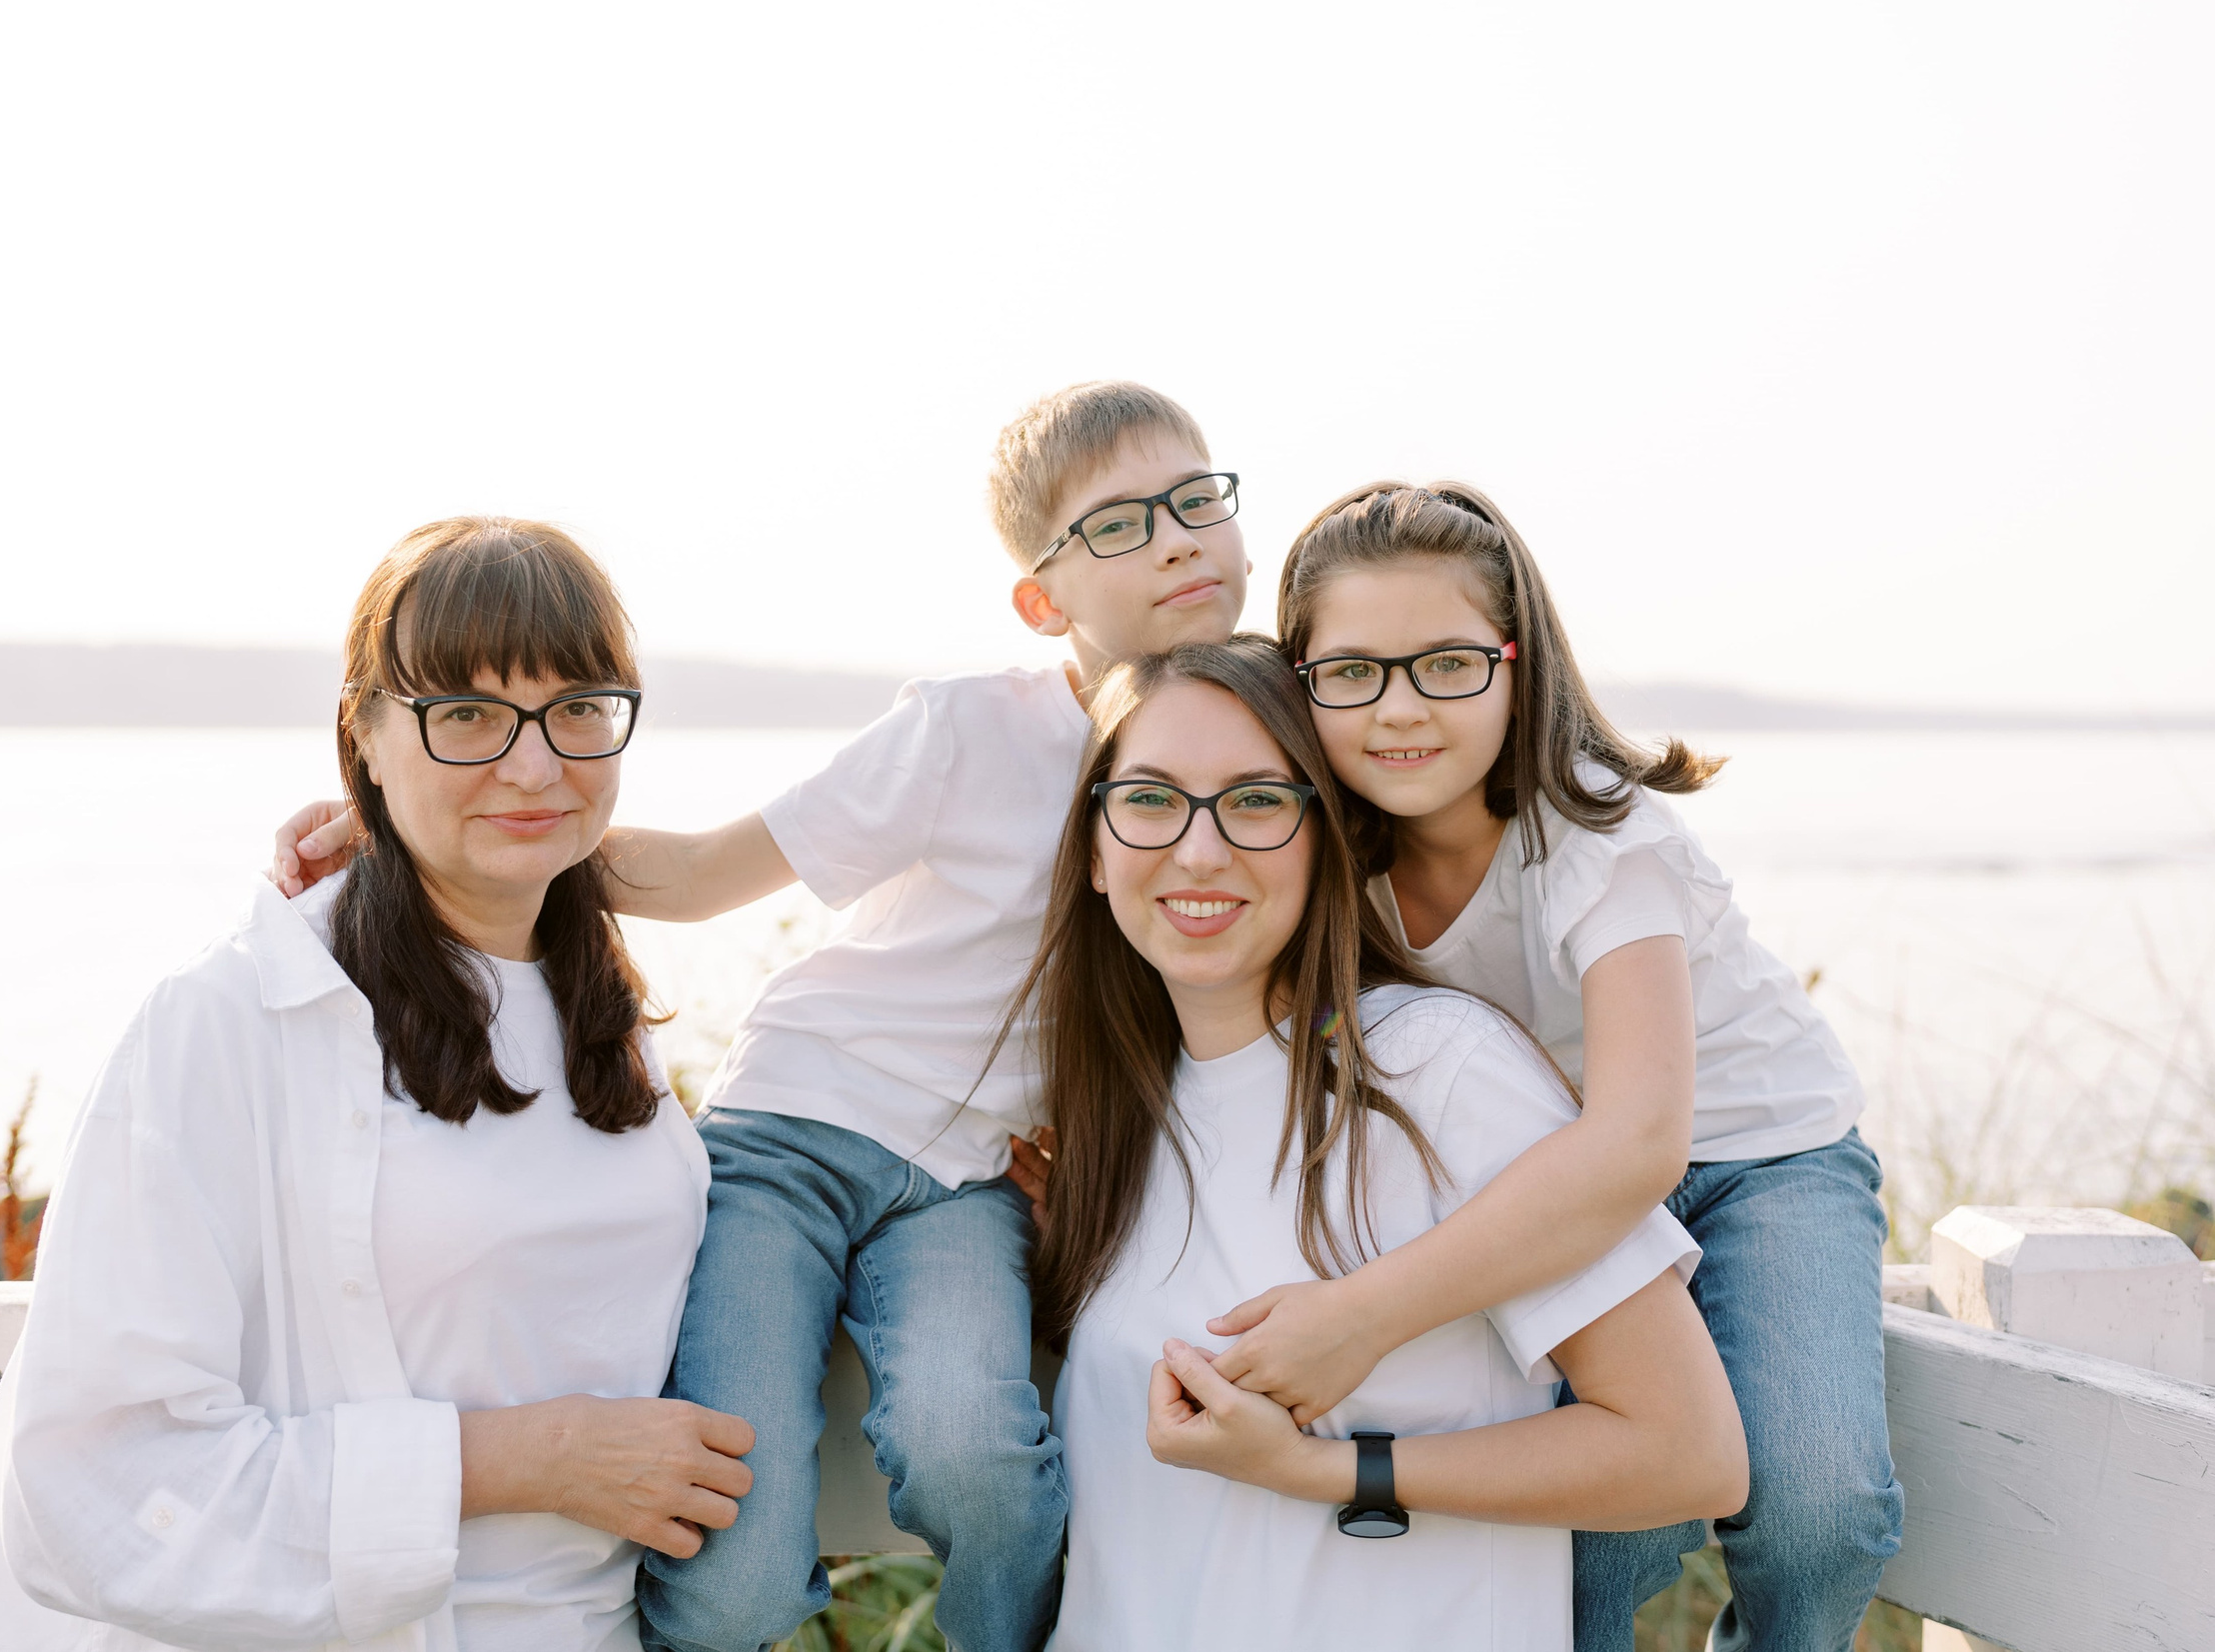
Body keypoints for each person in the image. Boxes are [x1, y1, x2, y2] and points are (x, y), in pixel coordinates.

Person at [268, 382, 1249, 1652]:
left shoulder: (1268, 745)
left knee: (981, 1464)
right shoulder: (967, 728)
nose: (1175, 538)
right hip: (792, 1134)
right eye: (1118, 524)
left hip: (966, 1184)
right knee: (728, 1575)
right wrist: (411, 831)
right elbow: (698, 875)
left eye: (1195, 501)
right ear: (1042, 597)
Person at [0, 519, 753, 1651]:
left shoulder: (598, 999)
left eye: (579, 705)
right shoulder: (232, 1019)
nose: (534, 763)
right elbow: (93, 1486)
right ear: (366, 736)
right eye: (466, 714)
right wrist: (533, 1458)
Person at [1200, 482, 1900, 1651]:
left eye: (1448, 665)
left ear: (1519, 665)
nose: (1400, 710)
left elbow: (1638, 1142)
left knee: (1820, 1508)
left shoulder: (1599, 835)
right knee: (1593, 1537)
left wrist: (1362, 1316)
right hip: (1544, 1170)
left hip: (1753, 1161)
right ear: (1301, 678)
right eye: (1353, 671)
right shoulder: (1324, 859)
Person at [1018, 635, 1746, 1650]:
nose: (1197, 849)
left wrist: (1327, 1468)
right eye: (1147, 797)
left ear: (1333, 836)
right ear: (1092, 847)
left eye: (1258, 799)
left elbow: (1687, 1451)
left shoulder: (1435, 1070)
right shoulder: (1122, 1114)